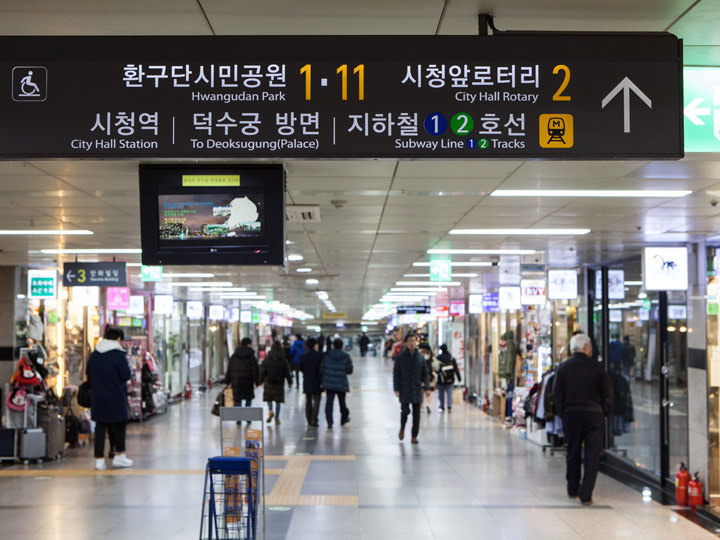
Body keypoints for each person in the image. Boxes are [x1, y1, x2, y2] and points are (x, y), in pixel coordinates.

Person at [553, 333, 613, 506]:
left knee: (572, 452)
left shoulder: (563, 368)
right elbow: (607, 393)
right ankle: (586, 494)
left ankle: (572, 489)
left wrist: (562, 413)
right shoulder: (597, 368)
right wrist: (604, 411)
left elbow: (557, 394)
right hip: (593, 415)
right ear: (586, 348)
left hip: (571, 415)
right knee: (592, 455)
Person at [86, 326, 133, 471]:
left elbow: (88, 373)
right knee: (119, 425)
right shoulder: (118, 355)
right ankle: (119, 455)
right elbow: (126, 375)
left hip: (98, 396)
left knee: (100, 427)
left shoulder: (95, 354)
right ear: (118, 339)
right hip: (115, 395)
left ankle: (99, 460)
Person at [393, 333, 431, 444]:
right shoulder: (400, 357)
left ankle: (414, 436)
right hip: (404, 388)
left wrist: (427, 387)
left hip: (416, 389)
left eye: (414, 341)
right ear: (405, 343)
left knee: (416, 414)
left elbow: (425, 374)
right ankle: (402, 428)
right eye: (409, 341)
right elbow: (396, 374)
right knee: (404, 411)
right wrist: (396, 388)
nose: (412, 343)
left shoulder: (420, 357)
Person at [320, 338, 354, 428]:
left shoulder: (327, 355)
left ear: (333, 345)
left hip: (329, 383)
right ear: (342, 346)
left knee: (329, 403)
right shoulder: (346, 356)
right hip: (341, 383)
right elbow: (349, 370)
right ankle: (343, 419)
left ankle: (329, 422)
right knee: (342, 402)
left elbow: (322, 369)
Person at [259, 341, 293, 425]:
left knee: (269, 398)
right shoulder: (282, 359)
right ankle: (277, 417)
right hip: (279, 382)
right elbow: (287, 372)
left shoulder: (268, 358)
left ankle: (270, 410)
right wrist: (290, 381)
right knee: (278, 400)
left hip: (269, 381)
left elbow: (262, 369)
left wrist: (260, 380)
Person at [223, 337, 259, 408]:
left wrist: (227, 381)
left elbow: (229, 370)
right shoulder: (251, 356)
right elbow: (255, 370)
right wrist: (257, 382)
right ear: (248, 345)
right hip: (248, 383)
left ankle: (238, 418)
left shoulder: (234, 356)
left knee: (237, 401)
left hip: (236, 383)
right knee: (248, 400)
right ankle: (248, 417)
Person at [299, 337, 323, 427]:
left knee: (308, 400)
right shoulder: (320, 355)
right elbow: (321, 369)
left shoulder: (304, 356)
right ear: (315, 345)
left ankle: (309, 419)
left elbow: (301, 368)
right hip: (317, 380)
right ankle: (314, 419)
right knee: (317, 400)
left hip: (307, 381)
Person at [435, 344, 462, 412]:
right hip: (450, 378)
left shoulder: (438, 358)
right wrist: (459, 378)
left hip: (441, 378)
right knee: (449, 392)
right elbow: (456, 368)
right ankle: (449, 406)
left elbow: (436, 368)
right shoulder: (451, 358)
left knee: (441, 393)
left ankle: (442, 406)